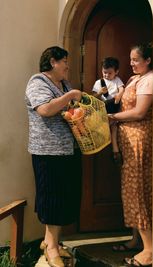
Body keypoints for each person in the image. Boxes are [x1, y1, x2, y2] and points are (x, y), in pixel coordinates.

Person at [25, 46, 82, 267]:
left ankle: (51, 242)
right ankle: (51, 247)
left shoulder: (63, 84)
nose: (68, 65)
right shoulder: (38, 82)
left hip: (68, 149)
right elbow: (45, 110)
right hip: (48, 151)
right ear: (52, 62)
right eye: (64, 61)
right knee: (52, 199)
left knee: (63, 198)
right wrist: (70, 96)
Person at [109, 43, 153, 267]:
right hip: (128, 140)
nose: (131, 63)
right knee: (130, 189)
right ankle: (136, 239)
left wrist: (113, 118)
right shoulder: (135, 79)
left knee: (137, 190)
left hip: (139, 140)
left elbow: (139, 112)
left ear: (148, 60)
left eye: (136, 60)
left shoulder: (149, 79)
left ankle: (149, 249)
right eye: (131, 59)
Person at [92, 57, 124, 163]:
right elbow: (93, 98)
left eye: (109, 73)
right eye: (104, 72)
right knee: (105, 129)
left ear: (116, 72)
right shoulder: (99, 82)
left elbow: (122, 88)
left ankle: (115, 151)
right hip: (103, 108)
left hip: (114, 107)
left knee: (114, 128)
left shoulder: (117, 80)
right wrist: (100, 93)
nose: (106, 75)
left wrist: (119, 95)